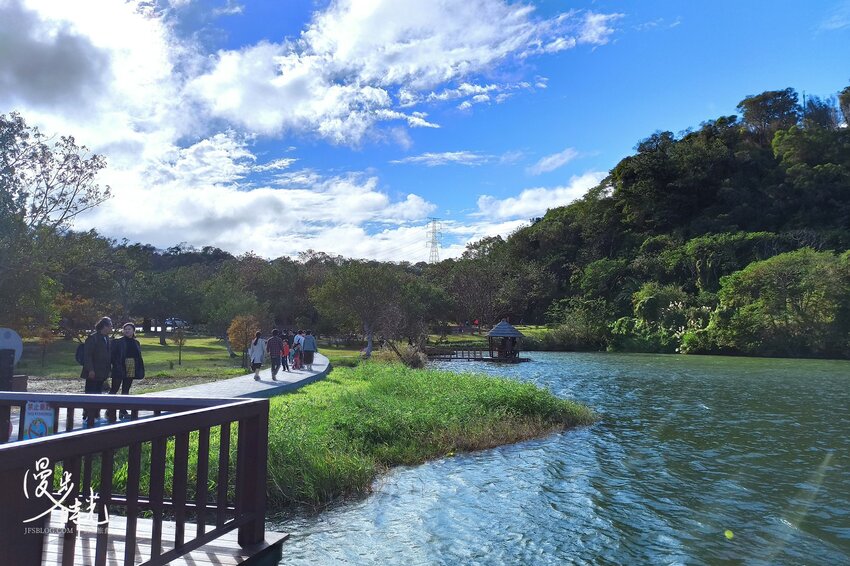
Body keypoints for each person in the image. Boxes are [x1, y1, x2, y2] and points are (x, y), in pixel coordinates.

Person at [109, 323, 145, 420]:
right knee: (114, 389)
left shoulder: (136, 342)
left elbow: (138, 357)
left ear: (133, 331)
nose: (127, 331)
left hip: (131, 366)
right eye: (125, 329)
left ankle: (123, 410)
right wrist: (116, 364)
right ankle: (109, 409)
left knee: (126, 390)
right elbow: (112, 355)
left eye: (129, 329)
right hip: (119, 367)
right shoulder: (118, 341)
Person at [81, 317, 113, 422]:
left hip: (102, 372)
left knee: (99, 392)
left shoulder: (107, 338)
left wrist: (108, 370)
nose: (111, 327)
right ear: (104, 326)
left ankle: (96, 414)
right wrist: (90, 369)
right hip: (93, 371)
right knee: (91, 392)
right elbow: (87, 355)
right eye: (110, 325)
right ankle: (87, 413)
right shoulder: (93, 338)